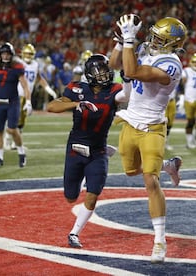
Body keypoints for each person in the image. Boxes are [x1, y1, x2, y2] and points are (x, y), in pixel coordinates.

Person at [109, 14, 186, 263]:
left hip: (152, 126)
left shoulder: (171, 63)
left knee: (150, 182)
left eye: (159, 38)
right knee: (131, 171)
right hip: (131, 120)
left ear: (172, 44)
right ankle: (167, 165)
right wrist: (122, 42)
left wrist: (130, 40)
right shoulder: (144, 48)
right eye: (153, 35)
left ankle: (159, 241)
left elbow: (131, 70)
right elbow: (114, 65)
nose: (152, 40)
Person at [46, 54, 130, 249]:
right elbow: (52, 106)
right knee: (70, 197)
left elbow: (126, 96)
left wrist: (127, 79)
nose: (104, 75)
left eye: (106, 70)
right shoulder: (77, 88)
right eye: (99, 71)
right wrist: (76, 105)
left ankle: (74, 233)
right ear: (89, 74)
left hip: (98, 150)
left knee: (93, 192)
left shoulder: (114, 90)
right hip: (76, 147)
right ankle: (81, 179)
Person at [4, 43, 57, 150]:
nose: (28, 56)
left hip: (27, 96)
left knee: (21, 121)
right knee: (14, 119)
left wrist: (49, 90)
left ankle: (15, 143)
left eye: (30, 54)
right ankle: (6, 141)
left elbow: (39, 78)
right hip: (16, 94)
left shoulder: (35, 65)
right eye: (26, 54)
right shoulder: (17, 63)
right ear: (22, 54)